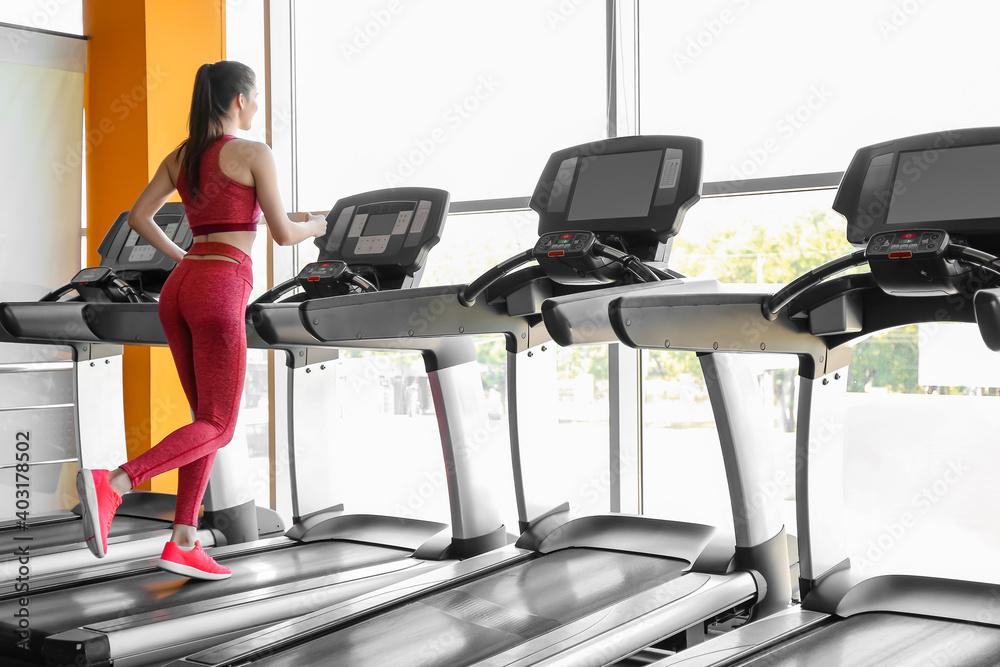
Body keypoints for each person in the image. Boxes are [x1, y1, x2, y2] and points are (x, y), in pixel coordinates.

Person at [75, 60, 326, 580]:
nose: (257, 107)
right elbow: (283, 234)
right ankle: (115, 483)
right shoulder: (254, 153)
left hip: (182, 286)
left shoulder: (182, 156)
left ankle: (184, 538)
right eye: (255, 98)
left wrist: (183, 257)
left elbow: (139, 217)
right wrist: (318, 227)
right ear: (239, 100)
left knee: (203, 422)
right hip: (221, 285)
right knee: (219, 425)